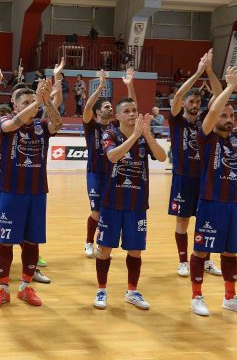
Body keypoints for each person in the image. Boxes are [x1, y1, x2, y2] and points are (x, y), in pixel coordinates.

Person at [188, 66, 237, 317]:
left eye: (232, 115)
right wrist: (230, 87)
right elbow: (212, 111)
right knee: (201, 250)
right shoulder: (206, 137)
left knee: (231, 251)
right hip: (211, 201)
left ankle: (230, 298)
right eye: (224, 115)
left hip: (234, 202)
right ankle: (197, 296)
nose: (229, 119)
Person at [0, 79, 62, 309]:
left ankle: (25, 287)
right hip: (11, 193)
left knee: (32, 242)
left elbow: (57, 124)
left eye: (33, 101)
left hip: (37, 193)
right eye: (26, 102)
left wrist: (47, 102)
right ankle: (2, 289)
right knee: (5, 242)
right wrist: (38, 101)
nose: (32, 105)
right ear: (16, 106)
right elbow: (12, 125)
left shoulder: (42, 126)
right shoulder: (5, 121)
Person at [93, 97, 167, 311]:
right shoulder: (110, 134)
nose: (132, 113)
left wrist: (147, 135)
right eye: (126, 111)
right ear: (117, 116)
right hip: (112, 202)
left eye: (134, 110)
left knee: (135, 250)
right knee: (104, 249)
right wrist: (134, 136)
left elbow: (162, 157)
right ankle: (101, 290)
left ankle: (132, 292)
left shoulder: (144, 137)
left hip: (137, 203)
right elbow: (112, 156)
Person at [168, 50, 223, 279]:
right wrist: (198, 72)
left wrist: (209, 71)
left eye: (197, 101)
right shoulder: (176, 120)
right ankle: (183, 262)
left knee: (206, 220)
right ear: (185, 103)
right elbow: (178, 95)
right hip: (183, 177)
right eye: (191, 101)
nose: (194, 104)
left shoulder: (205, 121)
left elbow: (219, 95)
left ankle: (206, 260)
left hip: (205, 178)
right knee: (183, 221)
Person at [81, 69, 137, 257]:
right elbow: (87, 108)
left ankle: (102, 243)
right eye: (106, 107)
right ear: (98, 112)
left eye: (111, 107)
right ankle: (89, 242)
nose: (110, 109)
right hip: (95, 173)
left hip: (114, 174)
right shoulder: (91, 126)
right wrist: (100, 88)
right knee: (96, 212)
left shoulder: (116, 127)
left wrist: (130, 86)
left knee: (107, 211)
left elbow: (132, 108)